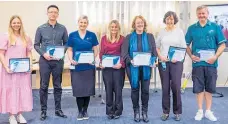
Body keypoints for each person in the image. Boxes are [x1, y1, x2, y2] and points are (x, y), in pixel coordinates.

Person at [185, 5, 226, 122]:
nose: (201, 15)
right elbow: (186, 44)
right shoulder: (192, 28)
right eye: (199, 14)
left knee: (209, 88)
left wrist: (215, 57)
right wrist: (191, 55)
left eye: (204, 13)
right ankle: (200, 111)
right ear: (197, 15)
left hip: (211, 64)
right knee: (198, 89)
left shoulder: (215, 27)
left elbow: (222, 44)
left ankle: (208, 111)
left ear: (207, 14)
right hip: (197, 64)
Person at [34, 5, 68, 120]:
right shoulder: (40, 28)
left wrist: (61, 54)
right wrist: (44, 54)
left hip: (58, 62)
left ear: (58, 14)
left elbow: (67, 44)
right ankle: (43, 111)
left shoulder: (63, 28)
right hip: (45, 61)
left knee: (58, 86)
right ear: (47, 13)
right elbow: (36, 45)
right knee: (44, 86)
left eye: (55, 12)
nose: (53, 14)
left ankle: (58, 110)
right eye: (51, 12)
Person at [121, 15, 157, 123]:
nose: (140, 24)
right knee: (135, 90)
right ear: (134, 25)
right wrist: (130, 60)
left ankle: (144, 112)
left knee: (145, 91)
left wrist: (153, 61)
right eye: (138, 22)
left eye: (141, 22)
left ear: (144, 24)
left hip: (146, 68)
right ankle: (136, 112)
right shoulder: (128, 37)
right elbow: (124, 53)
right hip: (133, 68)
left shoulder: (150, 36)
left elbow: (154, 52)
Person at [0, 15, 33, 124]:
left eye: (18, 22)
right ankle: (11, 116)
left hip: (23, 71)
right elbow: (1, 53)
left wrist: (30, 65)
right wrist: (6, 67)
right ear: (10, 24)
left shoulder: (26, 37)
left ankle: (19, 114)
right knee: (11, 91)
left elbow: (29, 52)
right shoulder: (5, 36)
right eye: (14, 23)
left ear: (21, 23)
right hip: (9, 71)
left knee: (22, 91)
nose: (16, 24)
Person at [66, 15, 99, 121]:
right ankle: (80, 111)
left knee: (87, 89)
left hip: (89, 66)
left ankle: (85, 110)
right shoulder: (72, 35)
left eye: (85, 23)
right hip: (77, 67)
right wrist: (71, 60)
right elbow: (69, 49)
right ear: (78, 23)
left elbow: (96, 49)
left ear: (87, 24)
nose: (83, 24)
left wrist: (93, 58)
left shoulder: (92, 35)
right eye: (81, 22)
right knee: (79, 90)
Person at [156, 11, 186, 121]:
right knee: (165, 88)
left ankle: (177, 112)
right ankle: (165, 112)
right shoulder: (161, 32)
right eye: (168, 19)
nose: (170, 21)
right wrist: (161, 57)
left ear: (175, 20)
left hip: (176, 63)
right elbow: (157, 47)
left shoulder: (179, 32)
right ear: (165, 20)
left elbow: (183, 48)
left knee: (176, 87)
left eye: (172, 19)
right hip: (163, 62)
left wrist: (177, 58)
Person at [99, 20, 125, 119]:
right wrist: (101, 62)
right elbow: (101, 53)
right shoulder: (104, 38)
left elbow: (124, 53)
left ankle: (118, 111)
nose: (114, 29)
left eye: (116, 27)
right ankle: (110, 111)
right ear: (109, 28)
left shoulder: (122, 39)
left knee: (118, 90)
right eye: (112, 27)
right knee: (108, 90)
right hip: (107, 69)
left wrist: (121, 64)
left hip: (118, 68)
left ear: (118, 28)